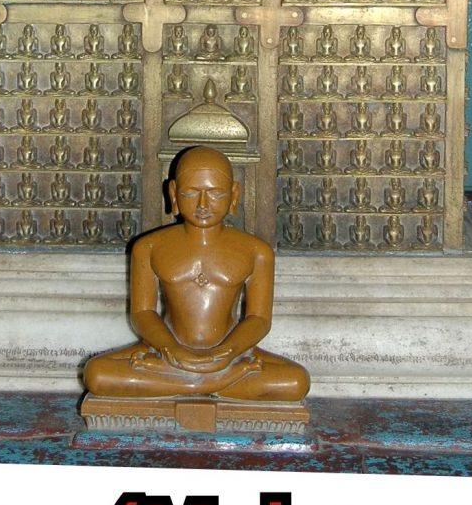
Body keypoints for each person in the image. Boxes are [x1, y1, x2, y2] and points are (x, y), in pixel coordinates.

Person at [83, 146, 309, 401]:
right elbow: (143, 313)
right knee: (96, 374)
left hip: (231, 356)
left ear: (234, 194)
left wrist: (228, 351)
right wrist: (170, 348)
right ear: (173, 193)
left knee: (296, 381)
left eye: (216, 193)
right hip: (166, 353)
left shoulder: (257, 251)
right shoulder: (148, 247)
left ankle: (188, 381)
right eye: (190, 193)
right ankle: (211, 383)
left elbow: (258, 319)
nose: (203, 205)